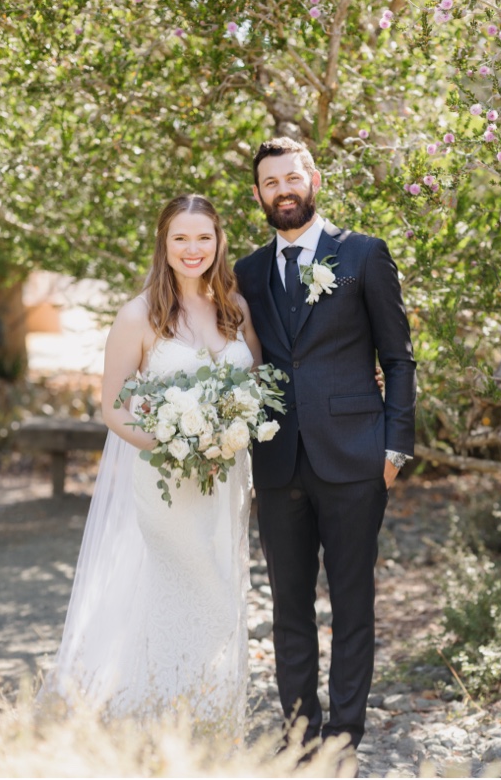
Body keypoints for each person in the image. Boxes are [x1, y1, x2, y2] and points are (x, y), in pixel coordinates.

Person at [45, 194, 262, 736]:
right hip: (166, 477)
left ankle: (206, 719)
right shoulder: (138, 314)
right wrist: (173, 444)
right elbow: (113, 406)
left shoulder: (235, 305)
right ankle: (156, 719)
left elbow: (258, 380)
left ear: (218, 242)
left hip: (225, 480)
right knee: (185, 590)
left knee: (222, 591)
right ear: (164, 245)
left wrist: (229, 429)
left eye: (204, 238)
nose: (193, 249)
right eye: (181, 239)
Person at [234, 137, 416, 754]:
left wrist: (396, 448)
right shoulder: (247, 273)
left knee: (351, 600)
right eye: (270, 183)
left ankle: (343, 734)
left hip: (356, 456)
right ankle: (299, 730)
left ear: (314, 178)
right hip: (277, 460)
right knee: (288, 603)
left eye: (292, 177)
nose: (283, 190)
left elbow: (398, 357)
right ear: (258, 195)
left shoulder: (363, 255)